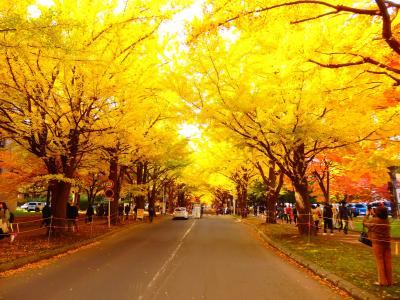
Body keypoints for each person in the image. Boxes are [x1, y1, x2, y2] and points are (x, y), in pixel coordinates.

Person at [363, 206, 392, 286]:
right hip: (387, 242)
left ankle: (382, 281)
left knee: (380, 261)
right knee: (388, 262)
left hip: (377, 243)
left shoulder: (374, 220)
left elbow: (365, 223)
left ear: (378, 213)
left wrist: (367, 215)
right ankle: (389, 280)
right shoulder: (387, 220)